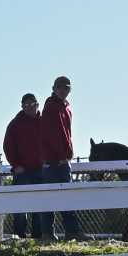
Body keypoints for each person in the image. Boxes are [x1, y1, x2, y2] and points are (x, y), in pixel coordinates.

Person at [37, 76, 79, 240]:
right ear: (54, 88)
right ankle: (48, 233)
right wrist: (62, 156)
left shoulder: (65, 107)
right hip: (54, 161)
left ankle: (71, 232)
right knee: (51, 197)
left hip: (61, 160)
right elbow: (52, 135)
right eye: (60, 87)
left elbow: (65, 134)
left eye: (66, 88)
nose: (63, 90)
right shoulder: (51, 107)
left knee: (65, 197)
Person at [2, 93, 45, 238]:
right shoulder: (15, 124)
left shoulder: (45, 121)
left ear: (37, 105)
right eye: (25, 105)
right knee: (20, 205)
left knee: (40, 205)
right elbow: (8, 146)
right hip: (23, 171)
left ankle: (38, 236)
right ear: (22, 107)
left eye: (31, 104)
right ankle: (19, 235)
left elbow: (52, 142)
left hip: (41, 170)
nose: (28, 108)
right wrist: (16, 164)